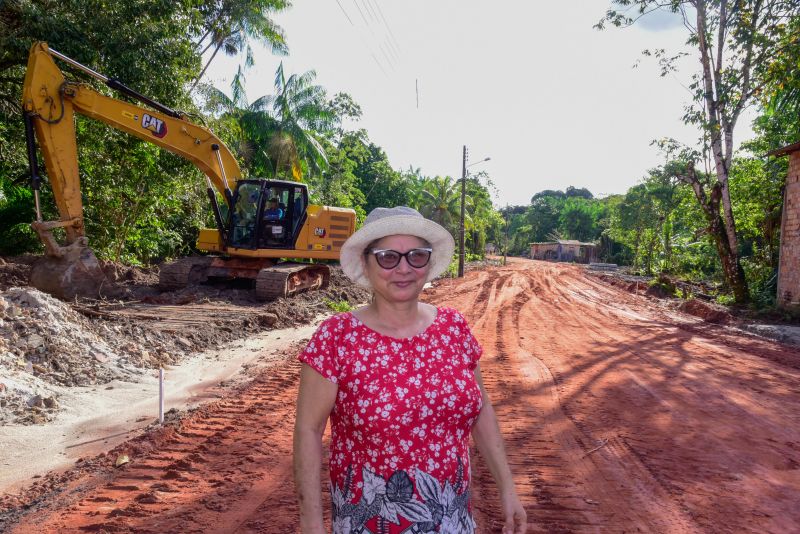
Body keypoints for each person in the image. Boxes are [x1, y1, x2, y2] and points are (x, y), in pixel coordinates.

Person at [293, 206, 527, 534]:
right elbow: (308, 431)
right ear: (366, 262)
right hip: (370, 525)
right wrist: (311, 524)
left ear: (428, 263)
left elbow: (481, 410)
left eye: (416, 256)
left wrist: (507, 488)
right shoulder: (337, 337)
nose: (403, 269)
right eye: (388, 257)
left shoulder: (454, 328)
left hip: (453, 522)